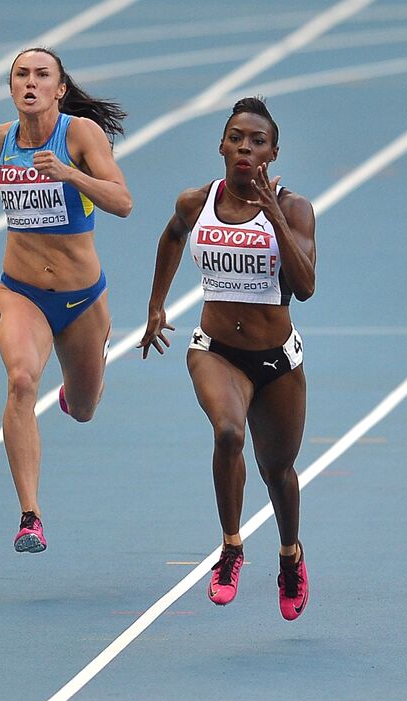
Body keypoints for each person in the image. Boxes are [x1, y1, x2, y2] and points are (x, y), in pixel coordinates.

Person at [0, 47, 131, 553]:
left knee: (85, 409)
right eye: (21, 74)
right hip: (21, 291)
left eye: (42, 75)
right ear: (11, 87)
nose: (30, 82)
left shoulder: (79, 135)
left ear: (59, 89)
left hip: (83, 299)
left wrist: (71, 174)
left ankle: (76, 389)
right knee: (21, 381)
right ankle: (30, 516)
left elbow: (123, 202)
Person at [140, 97, 317, 621]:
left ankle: (290, 555)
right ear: (222, 145)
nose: (246, 147)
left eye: (257, 141)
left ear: (273, 152)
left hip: (277, 360)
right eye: (237, 137)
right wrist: (156, 305)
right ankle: (232, 547)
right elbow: (172, 237)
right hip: (216, 351)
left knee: (278, 470)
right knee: (227, 433)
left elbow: (305, 286)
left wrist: (272, 217)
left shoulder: (293, 208)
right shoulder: (197, 202)